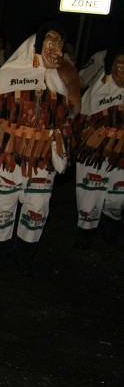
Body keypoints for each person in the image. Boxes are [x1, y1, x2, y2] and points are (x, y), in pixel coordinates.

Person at [0, 22, 80, 276]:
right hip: (9, 155)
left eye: (61, 45)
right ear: (37, 47)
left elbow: (67, 122)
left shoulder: (60, 82)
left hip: (42, 159)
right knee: (2, 205)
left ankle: (24, 252)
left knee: (37, 206)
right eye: (52, 43)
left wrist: (62, 145)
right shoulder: (9, 75)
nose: (58, 51)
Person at [72, 46, 124, 250]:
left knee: (118, 196)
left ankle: (111, 225)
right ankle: (86, 233)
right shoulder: (98, 89)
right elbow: (81, 117)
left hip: (120, 154)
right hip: (94, 152)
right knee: (89, 192)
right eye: (119, 65)